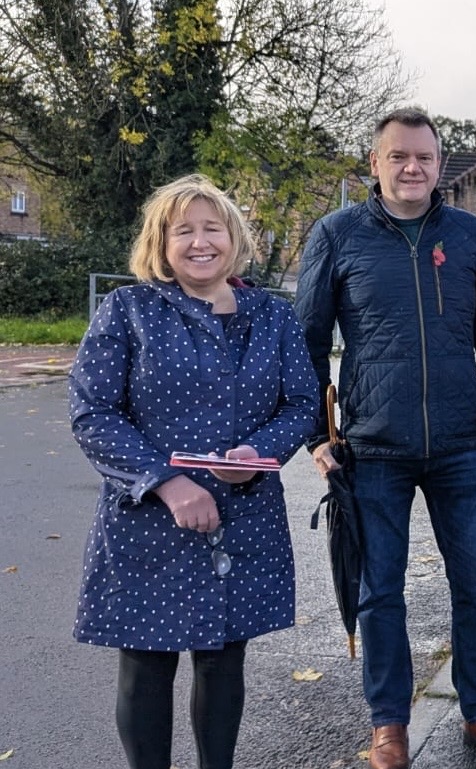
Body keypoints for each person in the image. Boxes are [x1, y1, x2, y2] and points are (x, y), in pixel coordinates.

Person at [294, 108, 476, 768]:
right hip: (372, 447)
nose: (411, 167)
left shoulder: (471, 235)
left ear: (438, 162)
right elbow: (305, 341)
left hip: (460, 443)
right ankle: (389, 721)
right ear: (374, 162)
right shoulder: (336, 235)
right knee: (380, 591)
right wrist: (318, 434)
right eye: (397, 156)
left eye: (423, 156)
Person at [69, 174, 319, 769]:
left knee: (222, 660)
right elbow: (92, 411)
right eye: (184, 230)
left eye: (213, 228)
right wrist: (166, 482)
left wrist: (259, 456)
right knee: (146, 664)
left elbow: (303, 404)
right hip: (149, 520)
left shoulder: (273, 317)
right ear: (162, 242)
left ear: (234, 239)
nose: (200, 242)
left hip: (244, 515)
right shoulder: (128, 310)